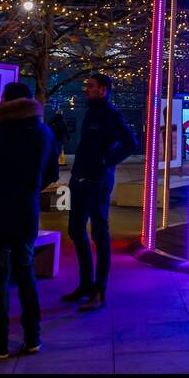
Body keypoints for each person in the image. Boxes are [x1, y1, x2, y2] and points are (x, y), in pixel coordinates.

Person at [0, 82, 59, 358]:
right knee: (25, 272)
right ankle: (33, 337)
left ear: (7, 101)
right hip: (26, 212)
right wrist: (29, 189)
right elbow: (52, 173)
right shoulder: (44, 132)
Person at [63, 73, 137, 310]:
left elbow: (130, 142)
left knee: (99, 233)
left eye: (91, 86)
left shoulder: (109, 114)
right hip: (81, 179)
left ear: (103, 90)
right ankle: (86, 283)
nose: (86, 89)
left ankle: (99, 288)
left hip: (97, 181)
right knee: (75, 229)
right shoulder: (91, 112)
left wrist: (107, 160)